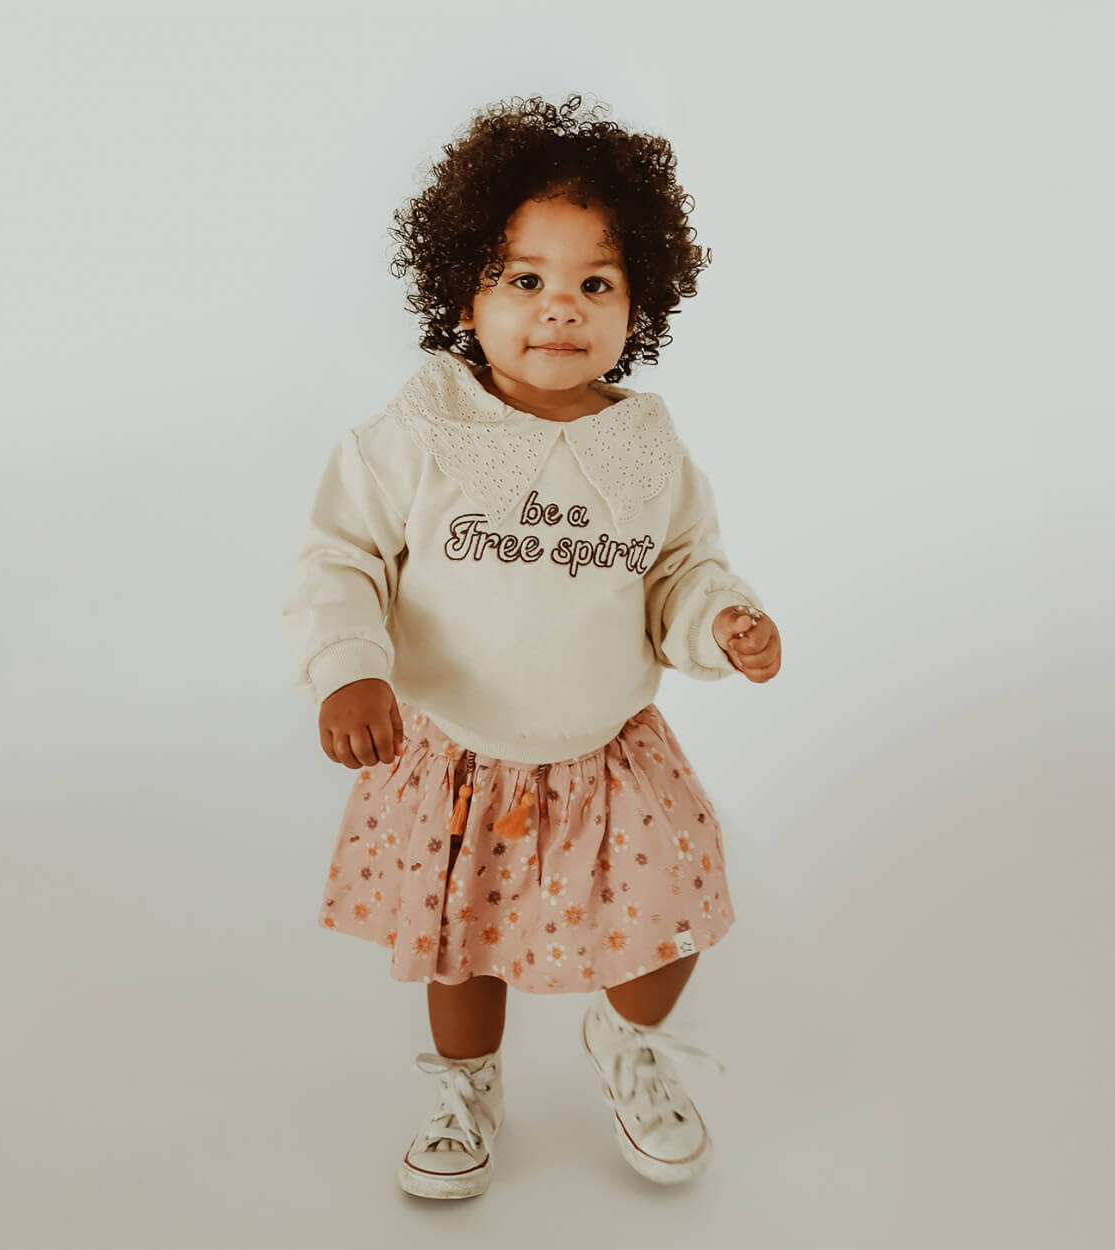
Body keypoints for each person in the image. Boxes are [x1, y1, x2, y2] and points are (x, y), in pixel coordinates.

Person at [282, 93, 782, 1201]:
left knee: (675, 916)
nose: (560, 307)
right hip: (459, 755)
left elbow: (678, 569)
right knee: (462, 946)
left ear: (639, 303)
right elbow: (342, 556)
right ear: (464, 289)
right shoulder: (424, 427)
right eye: (524, 278)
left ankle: (624, 1041)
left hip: (609, 754)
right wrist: (350, 667)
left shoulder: (646, 445)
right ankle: (465, 1085)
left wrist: (720, 620)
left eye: (594, 284)